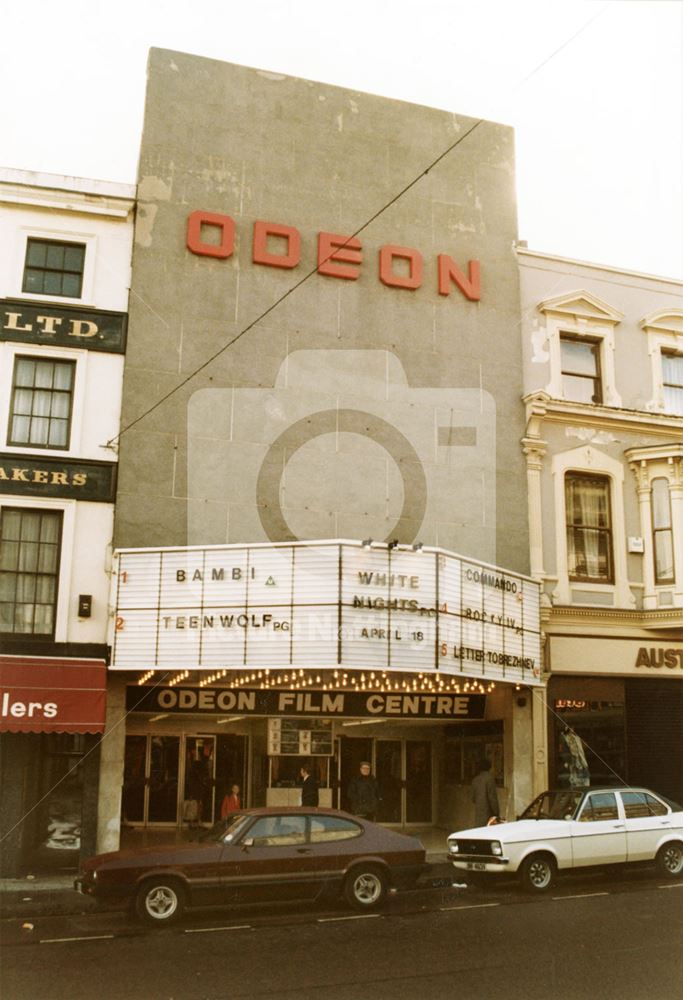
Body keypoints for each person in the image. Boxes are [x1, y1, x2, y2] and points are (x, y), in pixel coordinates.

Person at [471, 758, 500, 827]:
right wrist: (496, 812)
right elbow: (492, 798)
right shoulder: (490, 779)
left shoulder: (475, 780)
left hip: (479, 812)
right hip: (489, 813)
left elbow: (473, 798)